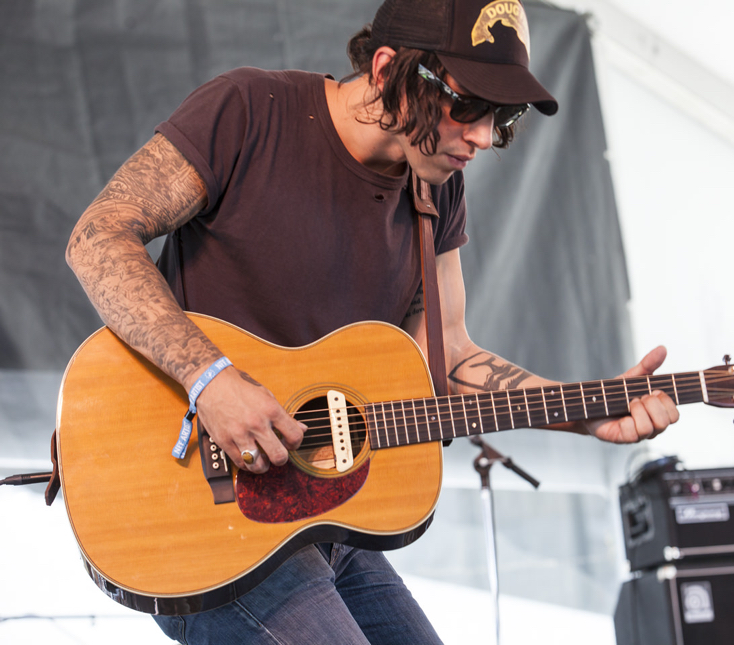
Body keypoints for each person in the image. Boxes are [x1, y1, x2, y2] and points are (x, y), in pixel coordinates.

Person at [66, 0, 680, 642]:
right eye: (467, 105)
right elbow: (98, 236)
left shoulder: (434, 189)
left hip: (322, 514)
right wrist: (210, 379)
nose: (480, 137)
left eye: (503, 117)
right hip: (201, 509)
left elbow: (447, 360)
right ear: (389, 70)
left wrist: (582, 409)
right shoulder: (248, 111)